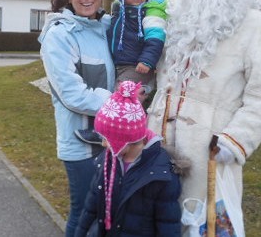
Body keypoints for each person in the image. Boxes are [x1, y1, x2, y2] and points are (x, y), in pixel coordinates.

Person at [146, 0, 261, 235]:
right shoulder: (177, 24)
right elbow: (161, 77)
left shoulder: (256, 25)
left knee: (204, 224)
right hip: (157, 143)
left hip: (210, 150)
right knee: (157, 219)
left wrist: (234, 141)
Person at [38, 0, 116, 237]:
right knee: (84, 212)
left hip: (109, 138)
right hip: (79, 143)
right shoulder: (60, 34)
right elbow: (72, 94)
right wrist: (117, 103)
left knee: (105, 212)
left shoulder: (104, 28)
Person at [75, 0, 167, 145]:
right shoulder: (119, 13)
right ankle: (133, 134)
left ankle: (105, 135)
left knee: (120, 99)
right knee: (123, 99)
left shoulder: (149, 13)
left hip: (138, 66)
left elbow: (156, 38)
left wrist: (147, 61)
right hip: (122, 65)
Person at [75, 81, 182, 237]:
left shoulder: (161, 175)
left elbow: (168, 226)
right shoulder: (107, 160)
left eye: (107, 138)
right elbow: (90, 207)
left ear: (124, 140)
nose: (103, 144)